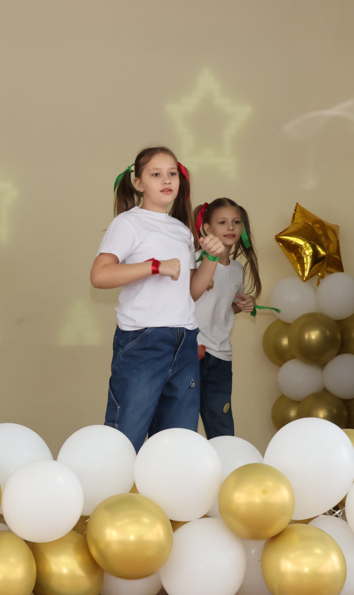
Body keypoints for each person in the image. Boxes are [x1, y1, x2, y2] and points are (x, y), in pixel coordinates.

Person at [89, 146, 224, 451]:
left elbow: (190, 292)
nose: (166, 180)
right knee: (126, 436)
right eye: (156, 174)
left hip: (185, 339)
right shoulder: (128, 223)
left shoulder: (181, 230)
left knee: (177, 441)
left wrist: (212, 258)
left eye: (172, 173)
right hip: (143, 339)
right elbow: (99, 275)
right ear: (138, 183)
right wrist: (153, 266)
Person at [192, 197, 261, 438]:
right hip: (193, 352)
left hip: (221, 356)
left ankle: (225, 461)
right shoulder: (194, 261)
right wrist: (199, 280)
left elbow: (223, 308)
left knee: (221, 426)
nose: (230, 227)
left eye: (236, 222)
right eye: (222, 222)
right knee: (183, 421)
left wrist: (243, 305)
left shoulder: (236, 270)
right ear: (207, 229)